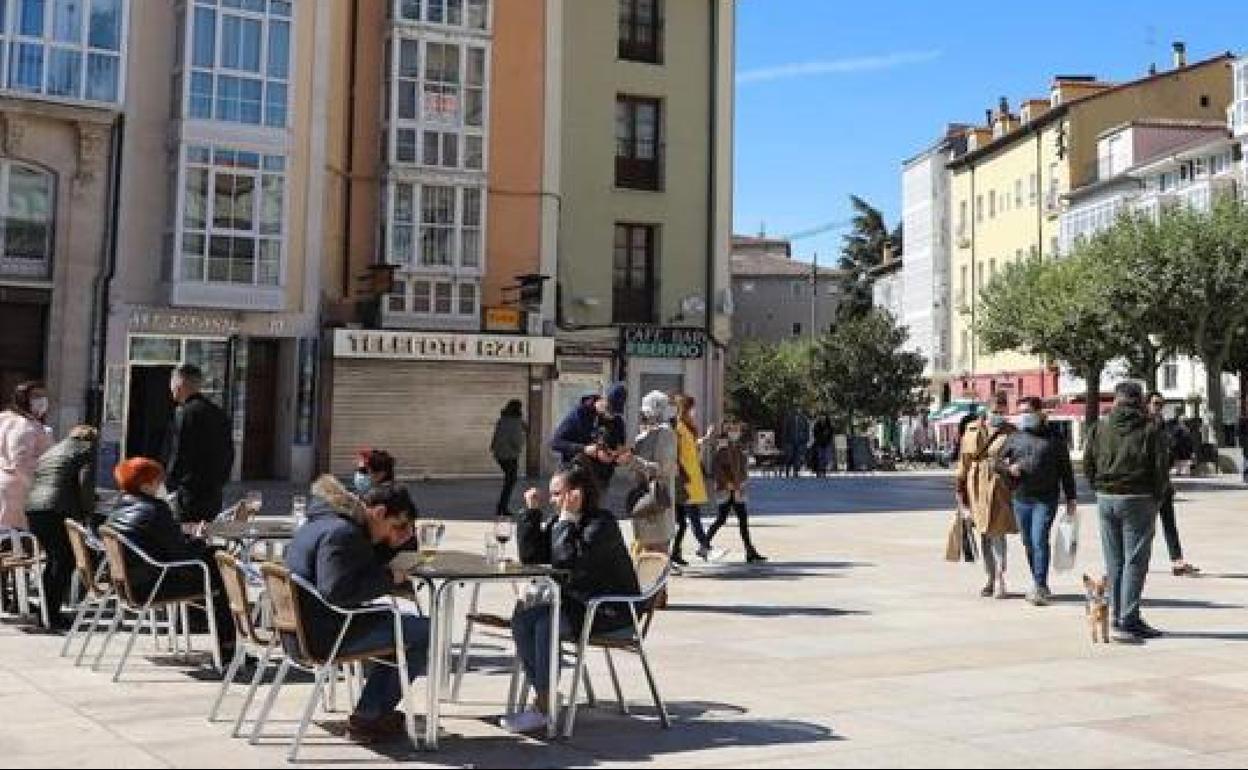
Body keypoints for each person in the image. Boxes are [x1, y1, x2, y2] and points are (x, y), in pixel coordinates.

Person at [285, 475, 429, 743]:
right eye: (398, 526)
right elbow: (337, 591)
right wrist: (390, 580)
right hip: (326, 636)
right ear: (379, 512)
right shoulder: (343, 534)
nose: (399, 534)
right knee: (425, 631)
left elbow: (356, 567)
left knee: (400, 624)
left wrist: (400, 543)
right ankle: (370, 715)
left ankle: (375, 709)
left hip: (298, 632)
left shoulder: (322, 522)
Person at [505, 466, 641, 734]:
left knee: (546, 623)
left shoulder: (601, 524)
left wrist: (566, 520)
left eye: (557, 494)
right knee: (522, 620)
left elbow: (569, 564)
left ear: (576, 494)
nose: (552, 500)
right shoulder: (562, 522)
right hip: (578, 608)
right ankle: (545, 697)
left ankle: (543, 707)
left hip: (609, 612)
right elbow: (532, 556)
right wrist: (532, 514)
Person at [105, 458, 236, 665]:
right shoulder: (155, 510)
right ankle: (228, 650)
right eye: (157, 481)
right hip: (152, 585)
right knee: (219, 575)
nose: (161, 486)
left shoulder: (117, 508)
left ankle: (226, 645)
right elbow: (182, 555)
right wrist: (200, 539)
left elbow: (162, 542)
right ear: (146, 484)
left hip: (129, 582)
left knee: (211, 565)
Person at [1084, 381, 1168, 642]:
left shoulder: (1100, 426)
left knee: (1114, 560)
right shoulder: (1149, 428)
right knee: (1135, 560)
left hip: (1106, 497)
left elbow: (1088, 463)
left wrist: (1099, 486)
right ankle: (1128, 619)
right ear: (1139, 400)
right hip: (1139, 497)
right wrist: (1157, 497)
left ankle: (1116, 614)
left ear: (1117, 399)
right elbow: (1160, 467)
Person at [997, 396, 1078, 606]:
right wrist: (1008, 468)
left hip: (1046, 497)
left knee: (1039, 538)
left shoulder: (1055, 438)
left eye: (1028, 411)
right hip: (1021, 497)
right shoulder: (1015, 437)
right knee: (1028, 542)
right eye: (1021, 411)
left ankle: (1040, 585)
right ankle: (1037, 579)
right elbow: (996, 462)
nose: (1024, 415)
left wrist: (1071, 497)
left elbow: (1066, 470)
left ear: (1039, 412)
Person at [24, 425, 99, 630]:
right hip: (58, 509)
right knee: (64, 561)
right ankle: (51, 614)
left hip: (34, 508)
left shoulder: (53, 451)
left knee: (54, 560)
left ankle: (46, 612)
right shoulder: (86, 450)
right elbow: (84, 484)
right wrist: (87, 512)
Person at [955, 393, 1018, 599]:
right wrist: (960, 492)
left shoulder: (1011, 432)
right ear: (986, 409)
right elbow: (963, 463)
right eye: (995, 411)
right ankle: (989, 577)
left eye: (1002, 411)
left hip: (999, 484)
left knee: (997, 532)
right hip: (976, 485)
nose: (998, 415)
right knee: (983, 533)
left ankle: (1000, 577)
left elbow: (1018, 458)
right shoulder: (971, 430)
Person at [163, 364, 233, 524]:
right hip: (213, 495)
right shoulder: (219, 413)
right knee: (204, 538)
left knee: (185, 539)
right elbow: (229, 454)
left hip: (190, 494)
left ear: (179, 384)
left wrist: (169, 485)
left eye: (172, 384)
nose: (171, 389)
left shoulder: (185, 413)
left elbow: (178, 452)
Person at [1148, 393, 1199, 577]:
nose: (1158, 407)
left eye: (1161, 404)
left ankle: (1177, 561)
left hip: (1164, 484)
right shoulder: (1143, 428)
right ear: (1147, 404)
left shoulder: (1163, 426)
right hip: (1148, 487)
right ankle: (1137, 562)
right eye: (1155, 403)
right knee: (1146, 527)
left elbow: (1167, 455)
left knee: (1169, 523)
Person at [671, 394, 725, 566]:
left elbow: (692, 447)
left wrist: (705, 439)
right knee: (693, 515)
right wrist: (682, 472)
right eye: (692, 408)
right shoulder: (677, 428)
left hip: (691, 476)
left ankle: (675, 553)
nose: (694, 412)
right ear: (685, 409)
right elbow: (676, 453)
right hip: (684, 479)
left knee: (681, 522)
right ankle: (705, 547)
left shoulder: (686, 427)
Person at [625, 391, 678, 555]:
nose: (644, 414)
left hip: (656, 499)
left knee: (657, 552)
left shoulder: (666, 434)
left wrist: (633, 461)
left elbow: (663, 468)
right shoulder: (644, 435)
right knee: (645, 551)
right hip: (642, 498)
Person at [709, 419, 766, 563]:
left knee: (742, 520)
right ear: (727, 431)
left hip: (737, 489)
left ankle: (750, 550)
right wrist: (727, 483)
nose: (736, 432)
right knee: (721, 519)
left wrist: (742, 483)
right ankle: (704, 543)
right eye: (732, 430)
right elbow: (717, 467)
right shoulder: (723, 446)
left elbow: (742, 468)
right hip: (728, 490)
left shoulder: (739, 447)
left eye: (737, 430)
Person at [550, 385, 628, 489]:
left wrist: (617, 458)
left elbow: (619, 449)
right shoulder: (580, 413)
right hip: (573, 477)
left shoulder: (617, 422)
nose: (611, 414)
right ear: (603, 399)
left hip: (599, 481)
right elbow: (555, 443)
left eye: (615, 411)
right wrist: (584, 449)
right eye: (609, 408)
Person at [0, 381, 54, 532]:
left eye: (43, 395)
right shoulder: (24, 425)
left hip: (7, 484)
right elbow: (21, 462)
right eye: (36, 396)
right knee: (19, 536)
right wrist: (38, 489)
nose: (42, 400)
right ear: (23, 398)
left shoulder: (5, 419)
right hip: (18, 489)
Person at [491, 400, 528, 517]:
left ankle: (502, 507)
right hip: (510, 456)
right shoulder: (516, 422)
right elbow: (517, 440)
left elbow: (495, 436)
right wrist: (522, 441)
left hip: (499, 455)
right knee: (510, 481)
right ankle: (502, 508)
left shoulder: (502, 419)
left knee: (509, 481)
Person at [781, 409, 810, 478]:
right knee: (789, 456)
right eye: (796, 409)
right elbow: (785, 430)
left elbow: (807, 430)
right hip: (790, 441)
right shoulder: (789, 418)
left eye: (799, 409)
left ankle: (795, 471)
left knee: (798, 457)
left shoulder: (804, 419)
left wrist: (806, 439)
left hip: (800, 441)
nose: (798, 411)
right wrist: (785, 440)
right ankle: (787, 469)